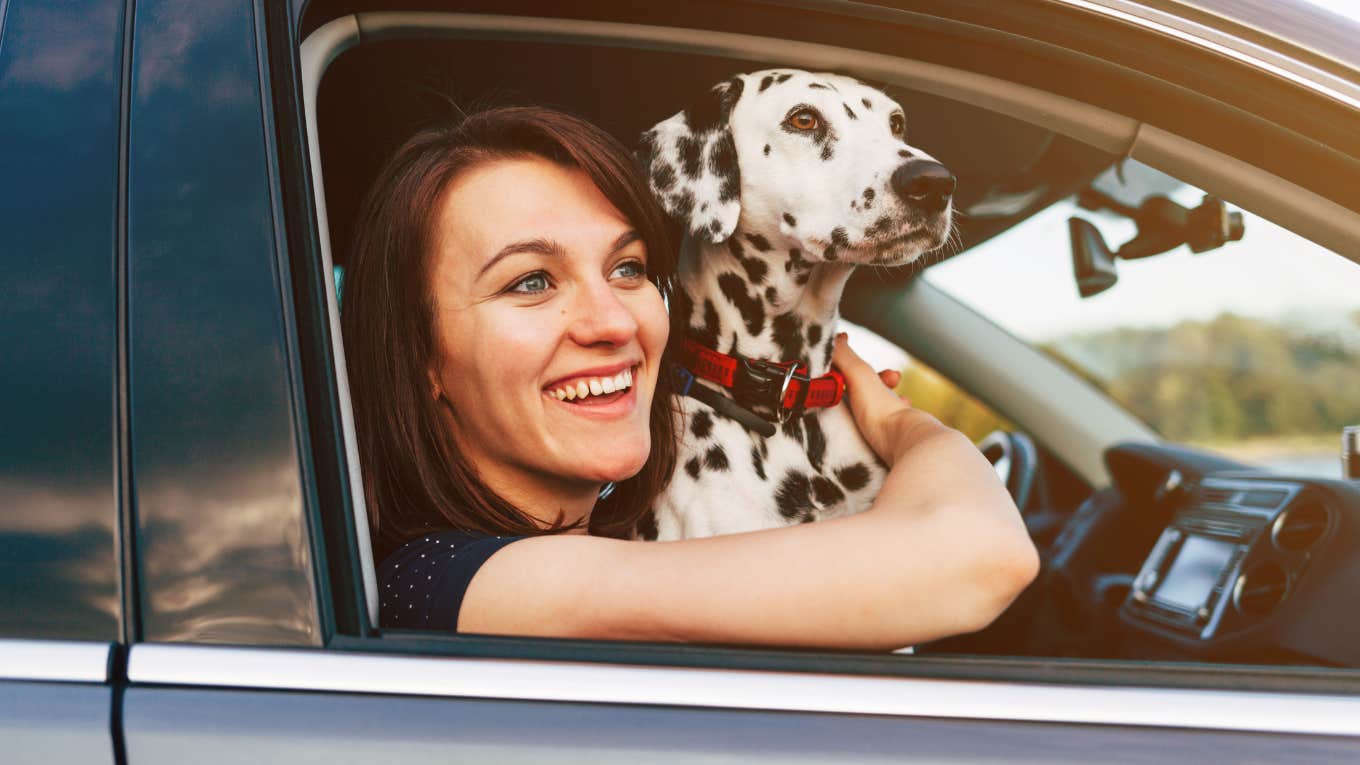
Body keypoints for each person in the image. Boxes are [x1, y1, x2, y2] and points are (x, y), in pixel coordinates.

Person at [341, 105, 1038, 650]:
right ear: (420, 355)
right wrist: (902, 427)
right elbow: (982, 555)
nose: (613, 321)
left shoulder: (603, 548)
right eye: (530, 281)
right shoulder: (455, 583)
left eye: (629, 268)